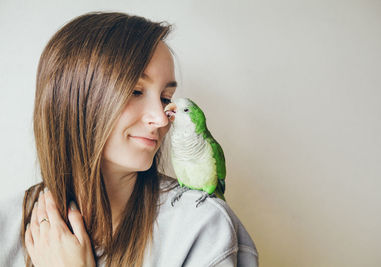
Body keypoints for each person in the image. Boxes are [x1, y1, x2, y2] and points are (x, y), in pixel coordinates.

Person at [0, 11, 259, 267]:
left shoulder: (201, 228)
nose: (160, 118)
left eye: (165, 98)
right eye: (135, 91)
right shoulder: (6, 227)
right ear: (71, 100)